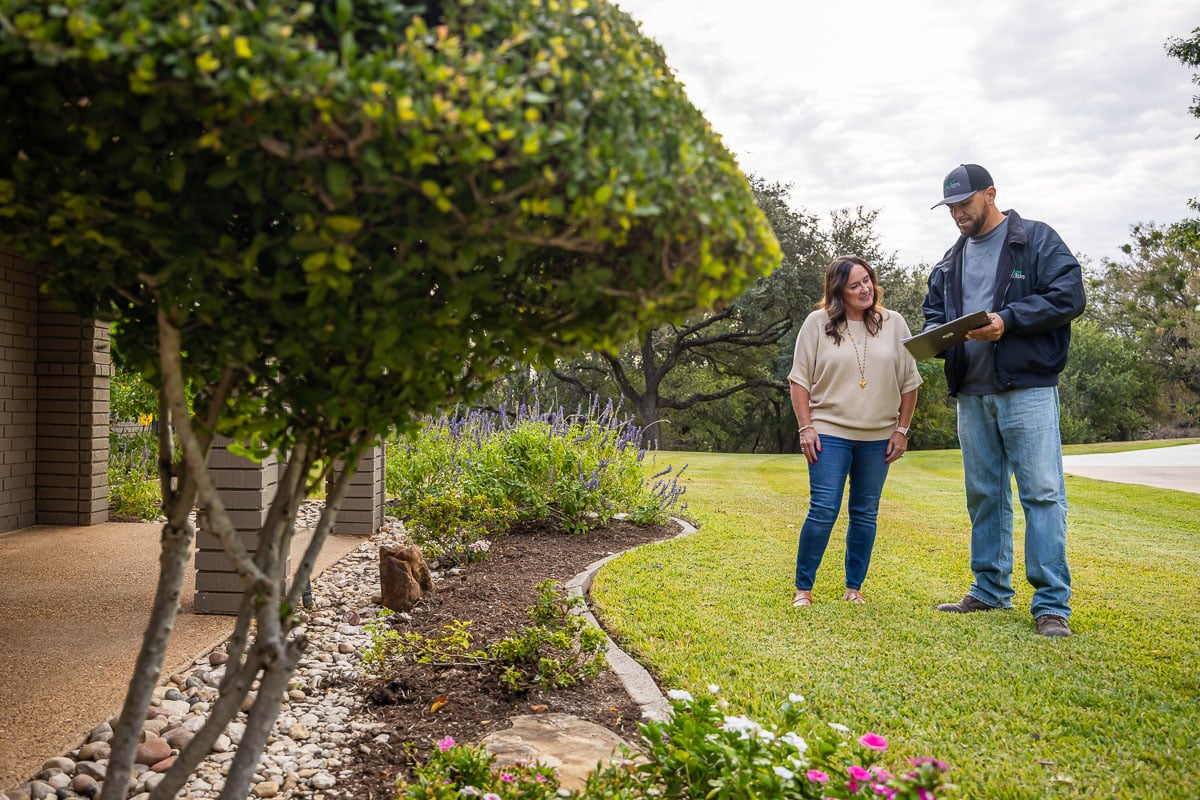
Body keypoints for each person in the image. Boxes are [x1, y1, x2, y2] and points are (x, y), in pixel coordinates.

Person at [923, 163, 1085, 638]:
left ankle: (1052, 605)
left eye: (965, 204)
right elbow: (935, 311)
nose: (957, 214)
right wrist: (938, 337)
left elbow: (1068, 295)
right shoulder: (949, 261)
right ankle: (990, 590)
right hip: (972, 394)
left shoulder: (1035, 239)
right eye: (950, 207)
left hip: (1027, 389)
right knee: (985, 495)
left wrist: (1008, 319)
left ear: (991, 194)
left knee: (1042, 493)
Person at [788, 255, 921, 607]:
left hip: (879, 437)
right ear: (838, 292)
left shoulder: (894, 323)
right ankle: (804, 589)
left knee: (865, 512)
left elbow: (910, 383)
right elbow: (799, 381)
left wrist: (902, 430)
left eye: (868, 281)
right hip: (829, 432)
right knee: (824, 509)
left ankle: (854, 588)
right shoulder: (817, 324)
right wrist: (806, 428)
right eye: (855, 285)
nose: (865, 289)